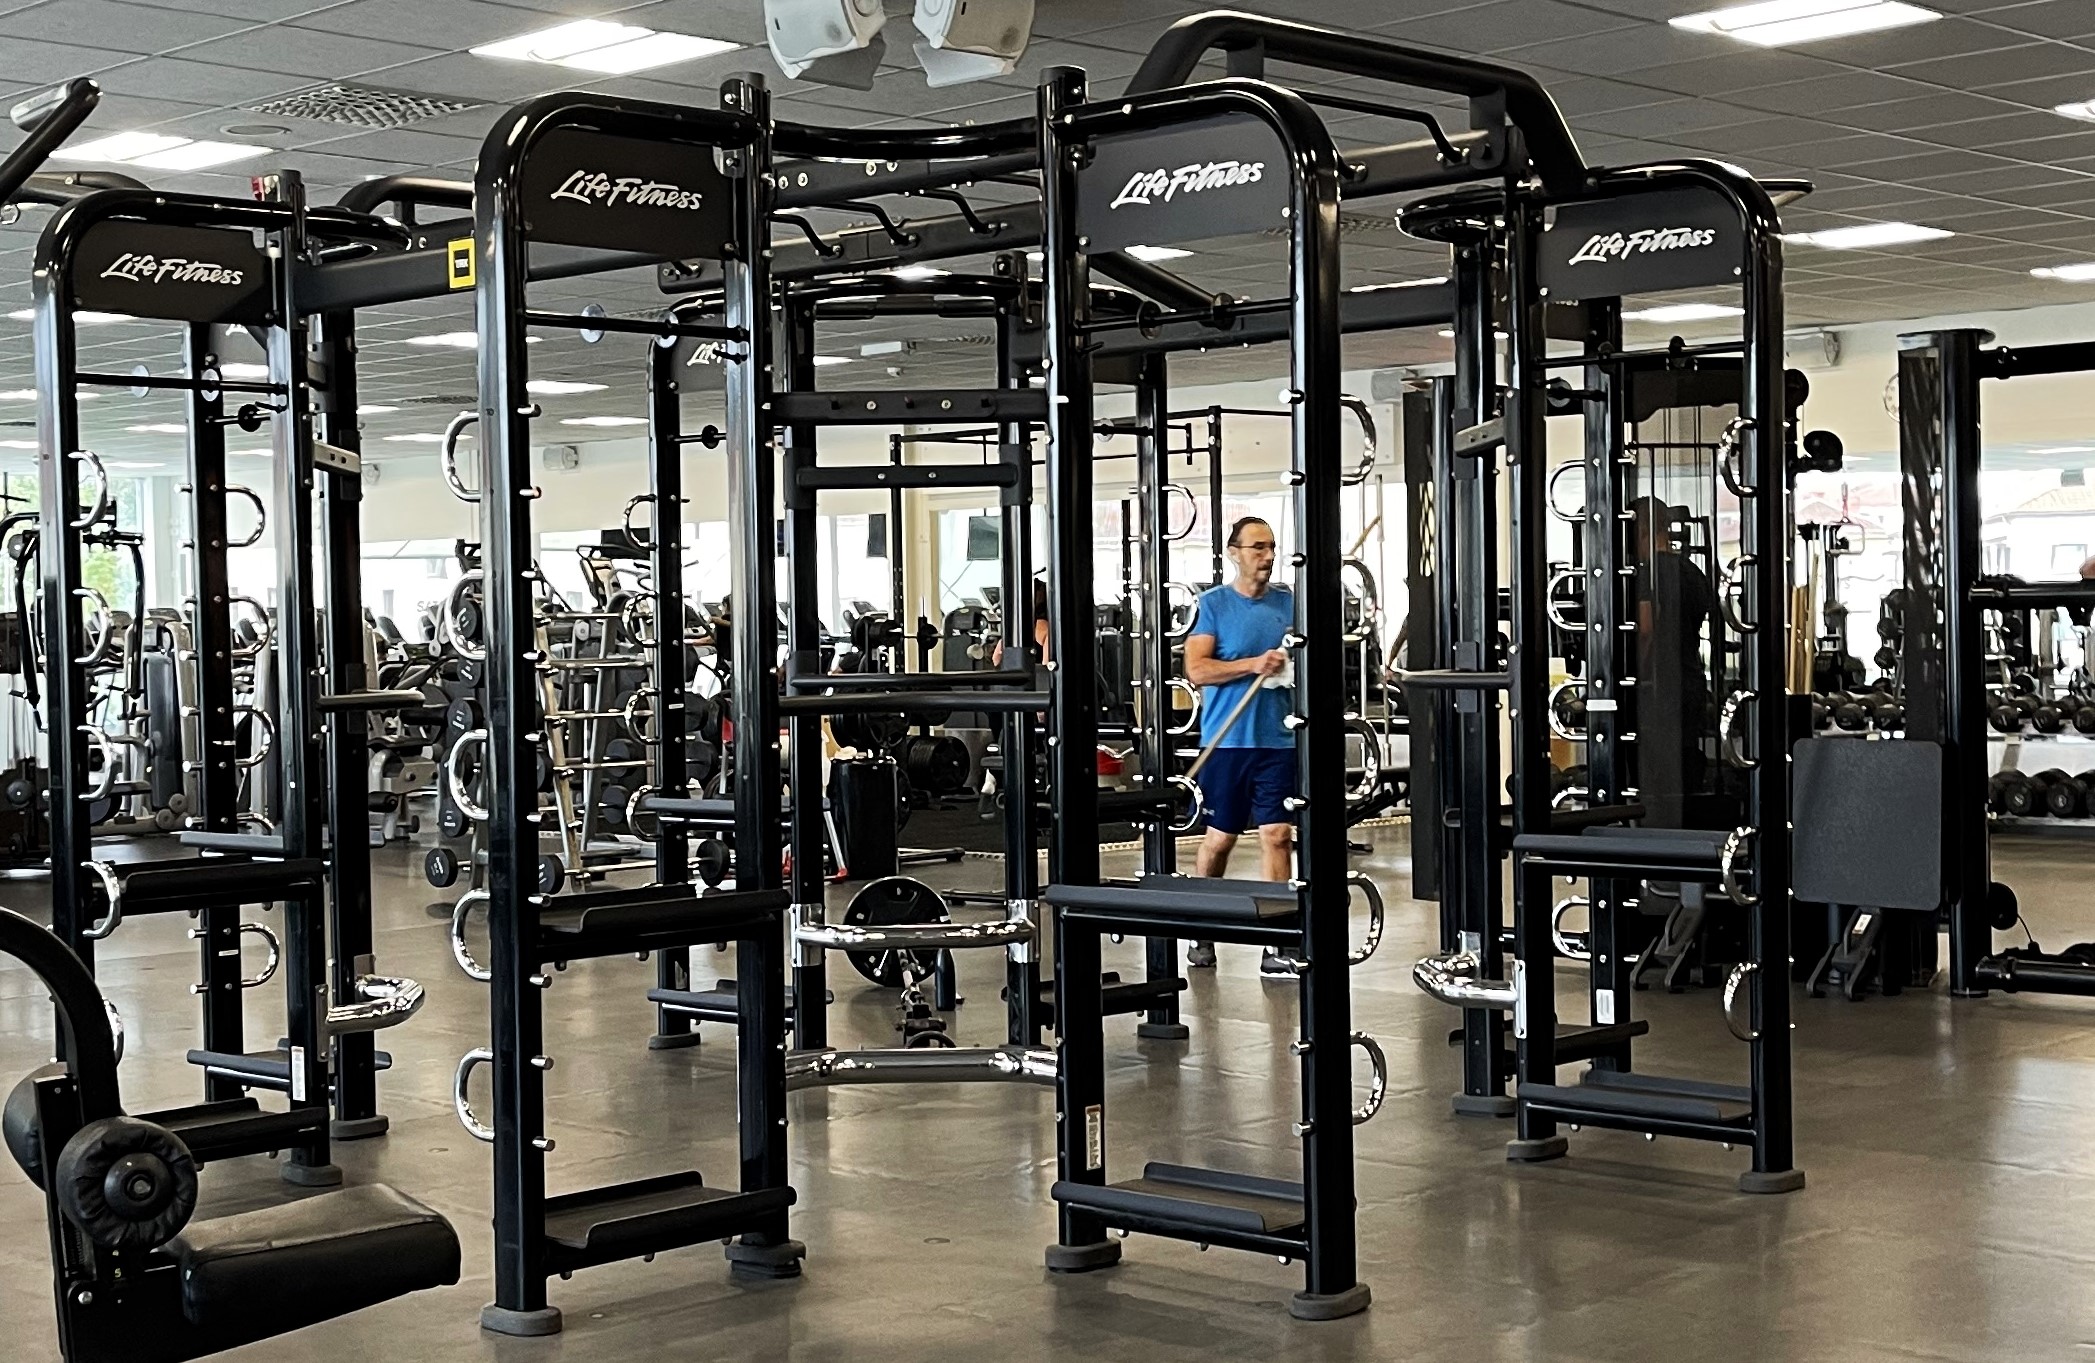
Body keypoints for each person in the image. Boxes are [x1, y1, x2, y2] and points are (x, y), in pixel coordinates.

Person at [1183, 516, 1295, 977]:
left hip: (1280, 740)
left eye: (1271, 547)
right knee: (1220, 840)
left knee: (1278, 835)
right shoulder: (1213, 605)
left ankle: (1277, 941)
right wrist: (1253, 664)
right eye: (1257, 548)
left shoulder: (1291, 605)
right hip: (1227, 742)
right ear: (1234, 553)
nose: (1267, 556)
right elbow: (1197, 670)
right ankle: (1202, 929)